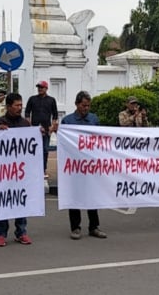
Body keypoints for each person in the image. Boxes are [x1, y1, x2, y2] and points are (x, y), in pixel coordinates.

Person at [61, 91, 108, 240]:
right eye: (83, 105)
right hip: (74, 166)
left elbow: (100, 140)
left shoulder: (94, 119)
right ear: (77, 104)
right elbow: (63, 144)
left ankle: (94, 227)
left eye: (88, 106)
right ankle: (75, 227)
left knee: (92, 197)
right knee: (74, 196)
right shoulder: (67, 121)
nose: (86, 108)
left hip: (91, 166)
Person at [0, 93, 33, 247]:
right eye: (16, 105)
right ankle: (1, 234)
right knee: (3, 202)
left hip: (20, 172)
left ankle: (21, 232)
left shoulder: (25, 124)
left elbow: (31, 146)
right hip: (2, 172)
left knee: (20, 201)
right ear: (8, 107)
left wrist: (40, 134)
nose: (19, 108)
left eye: (21, 105)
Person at [24, 81, 58, 179]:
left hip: (46, 129)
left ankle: (43, 169)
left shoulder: (51, 100)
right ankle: (33, 169)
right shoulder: (32, 99)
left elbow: (55, 114)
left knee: (45, 150)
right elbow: (27, 113)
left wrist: (52, 127)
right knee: (33, 150)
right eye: (39, 87)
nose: (40, 89)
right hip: (34, 129)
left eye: (42, 87)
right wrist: (29, 126)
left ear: (46, 88)